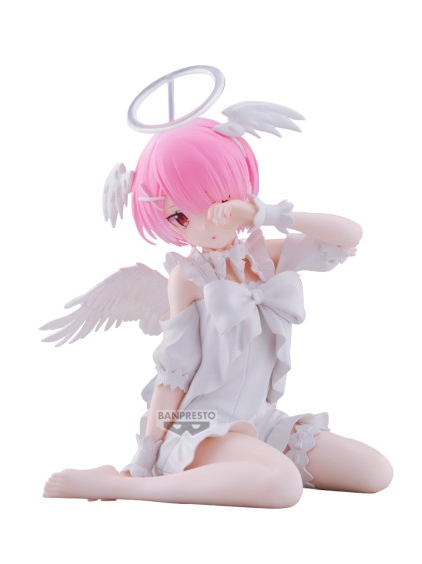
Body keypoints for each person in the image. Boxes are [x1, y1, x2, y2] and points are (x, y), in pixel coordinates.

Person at [43, 116, 393, 508]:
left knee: (375, 471)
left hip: (261, 420)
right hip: (198, 426)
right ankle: (120, 486)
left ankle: (246, 467)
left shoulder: (267, 257)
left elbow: (348, 236)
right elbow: (174, 374)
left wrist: (266, 214)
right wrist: (146, 456)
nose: (203, 225)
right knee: (282, 484)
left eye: (217, 202)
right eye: (180, 216)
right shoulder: (189, 278)